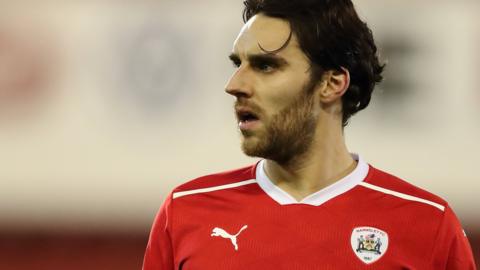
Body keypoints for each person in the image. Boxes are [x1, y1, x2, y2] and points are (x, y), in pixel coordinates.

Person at [143, 0, 477, 269]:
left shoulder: (428, 225)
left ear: (332, 83)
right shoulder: (186, 212)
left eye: (265, 66)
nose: (236, 86)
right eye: (238, 64)